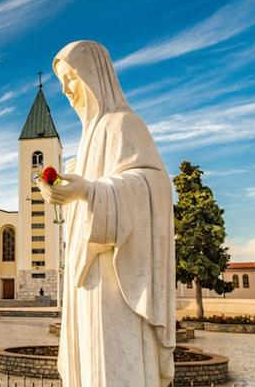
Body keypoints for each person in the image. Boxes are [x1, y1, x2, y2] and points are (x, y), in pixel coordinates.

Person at [39, 41, 176, 387]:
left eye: (71, 78)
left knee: (113, 366)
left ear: (93, 75)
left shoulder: (124, 124)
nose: (66, 90)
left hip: (116, 281)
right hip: (86, 281)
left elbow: (154, 186)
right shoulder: (86, 142)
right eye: (63, 82)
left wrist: (89, 191)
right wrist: (68, 192)